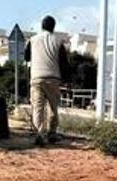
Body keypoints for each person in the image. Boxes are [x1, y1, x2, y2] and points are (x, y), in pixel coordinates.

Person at [24, 15, 69, 145]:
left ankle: (39, 133)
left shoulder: (32, 40)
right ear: (53, 27)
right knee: (53, 108)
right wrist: (66, 79)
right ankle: (52, 134)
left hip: (36, 78)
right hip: (53, 78)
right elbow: (64, 62)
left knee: (38, 108)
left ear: (42, 26)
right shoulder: (59, 41)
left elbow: (26, 57)